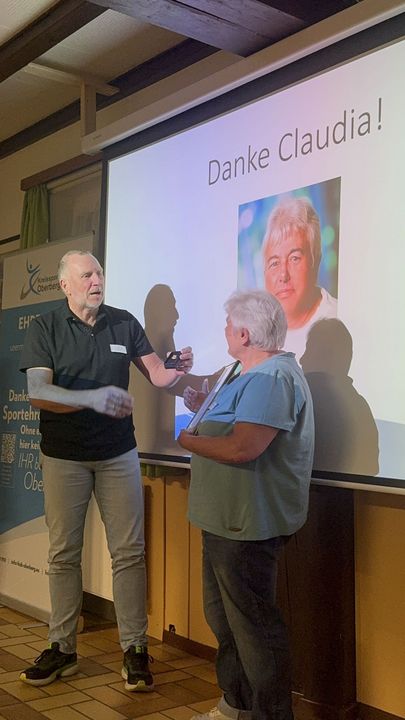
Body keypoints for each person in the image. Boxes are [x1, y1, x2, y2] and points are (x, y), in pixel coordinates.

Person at [18, 250, 193, 690]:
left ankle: (135, 650)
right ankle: (62, 648)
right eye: (87, 275)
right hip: (64, 455)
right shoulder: (46, 327)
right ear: (65, 285)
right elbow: (38, 391)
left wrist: (176, 369)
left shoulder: (124, 322)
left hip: (118, 453)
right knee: (64, 553)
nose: (97, 280)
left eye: (99, 273)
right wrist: (91, 399)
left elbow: (157, 374)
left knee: (129, 552)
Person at [178, 290, 314, 720]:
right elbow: (232, 426)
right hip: (223, 520)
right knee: (225, 620)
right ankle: (235, 705)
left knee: (254, 628)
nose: (223, 331)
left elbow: (243, 447)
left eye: (227, 324)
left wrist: (188, 441)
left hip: (247, 525)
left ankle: (270, 714)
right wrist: (203, 407)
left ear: (243, 333)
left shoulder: (271, 378)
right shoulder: (243, 374)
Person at [262, 195, 337, 361]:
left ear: (316, 261)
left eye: (294, 258)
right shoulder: (257, 335)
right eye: (274, 263)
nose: (283, 275)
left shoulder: (337, 320)